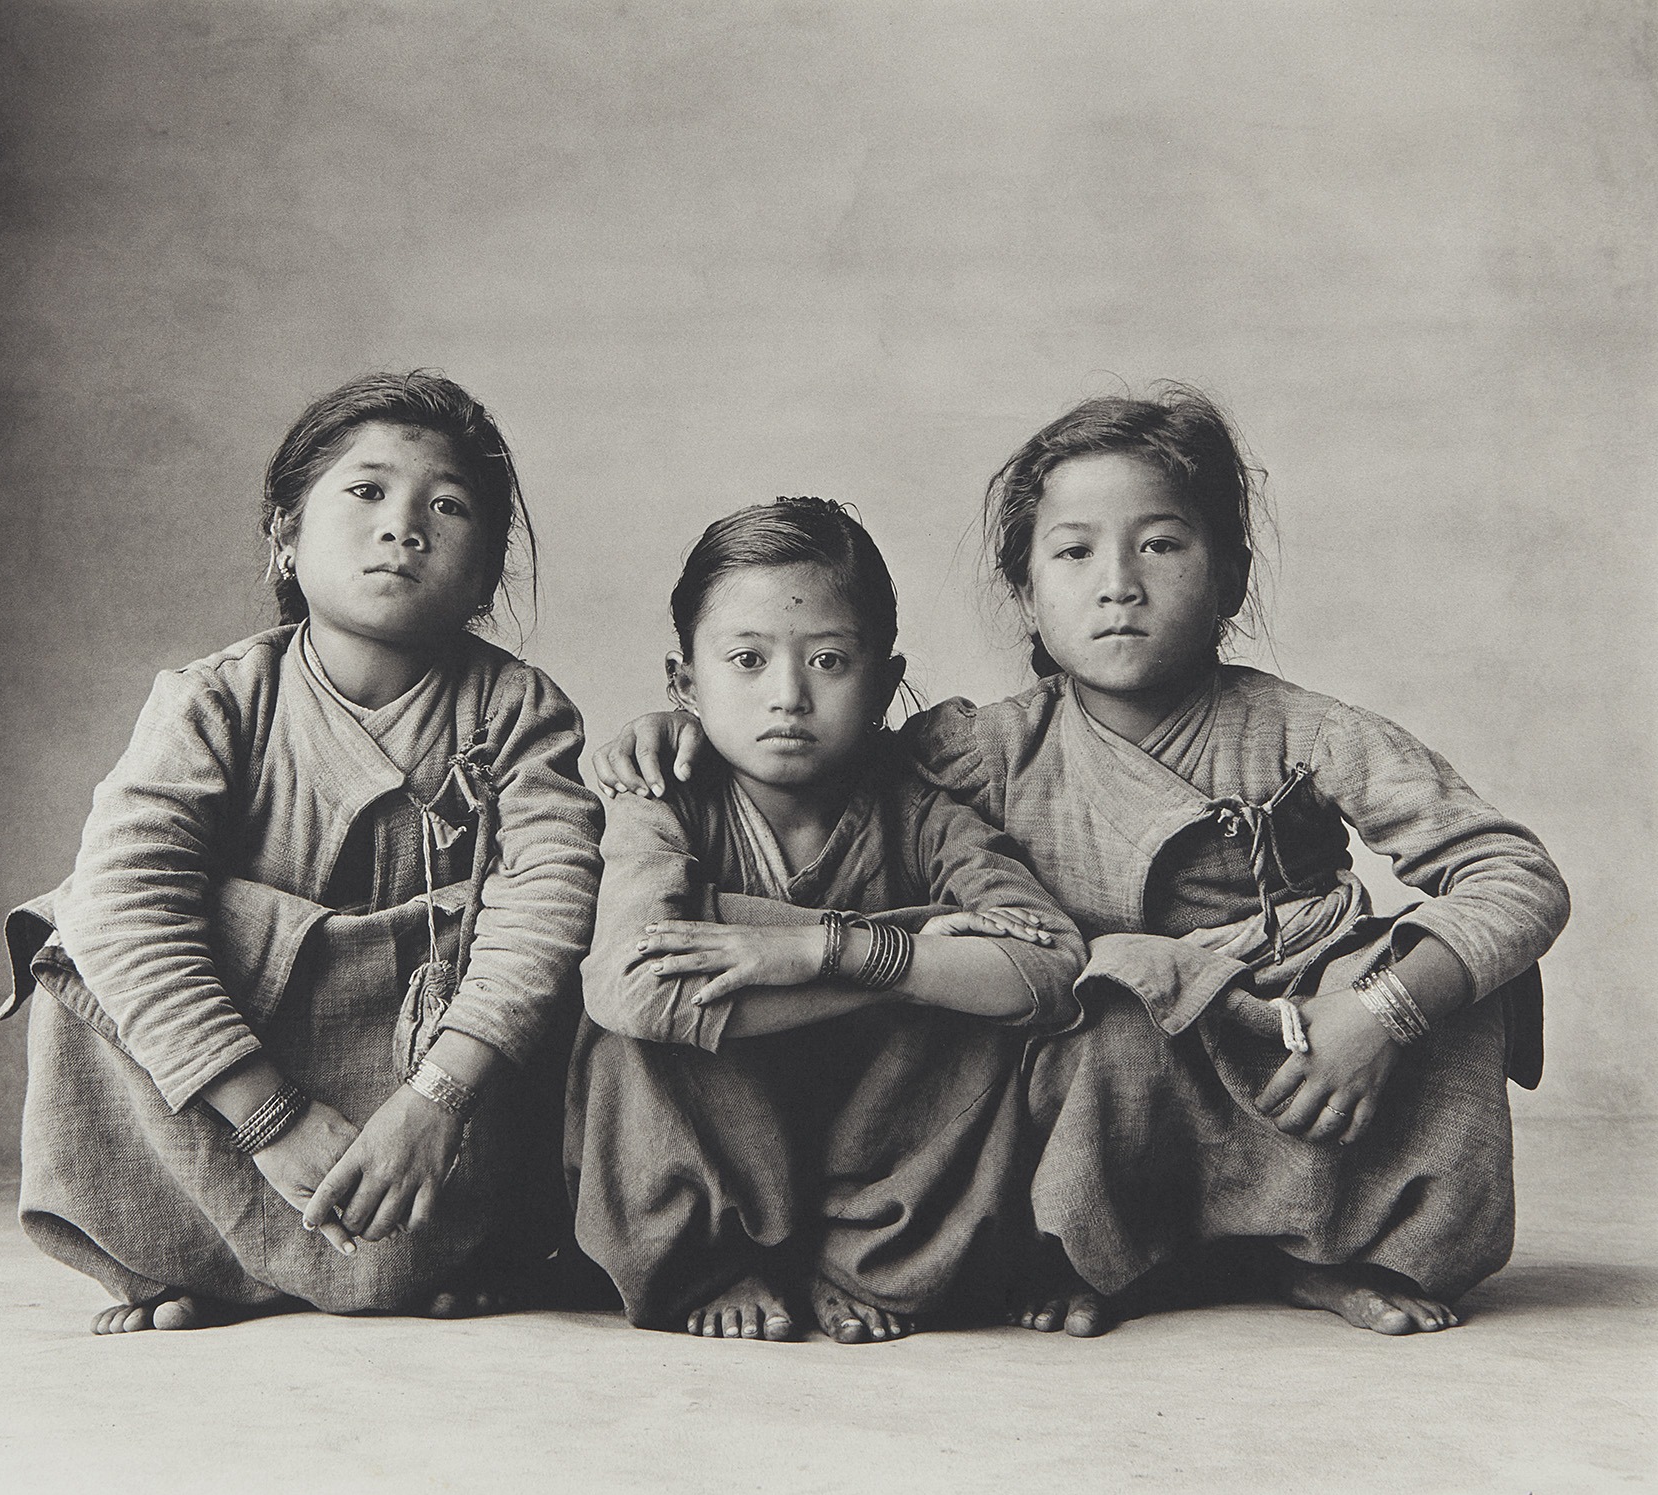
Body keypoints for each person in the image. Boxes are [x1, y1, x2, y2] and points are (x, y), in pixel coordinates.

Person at [592, 387, 1570, 1337]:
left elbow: (1513, 877)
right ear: (1024, 591)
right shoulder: (984, 747)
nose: (1118, 584)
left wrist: (1379, 1013)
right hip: (1116, 1041)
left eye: (1161, 544)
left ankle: (1322, 1256)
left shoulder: (1310, 732)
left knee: (1468, 985)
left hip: (1308, 1029)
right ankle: (1117, 1256)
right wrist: (678, 733)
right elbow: (817, 750)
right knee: (1093, 1005)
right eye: (1073, 552)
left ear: (1228, 576)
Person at [0, 371, 603, 1333]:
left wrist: (438, 1096)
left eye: (447, 507)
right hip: (246, 1077)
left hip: (430, 1078)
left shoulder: (519, 712)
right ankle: (185, 1256)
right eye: (365, 492)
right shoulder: (214, 702)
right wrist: (267, 1113)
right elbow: (125, 900)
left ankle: (461, 1250)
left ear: (488, 571)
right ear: (285, 533)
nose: (403, 527)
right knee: (84, 929)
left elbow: (551, 900)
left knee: (576, 959)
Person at [569, 497, 1088, 1344]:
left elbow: (1054, 969)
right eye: (745, 659)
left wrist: (822, 950)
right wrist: (904, 962)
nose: (788, 696)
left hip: (879, 1144)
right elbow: (632, 989)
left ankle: (866, 1255)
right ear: (683, 683)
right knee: (626, 1035)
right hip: (720, 1129)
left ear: (885, 683)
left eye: (830, 661)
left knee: (988, 1022)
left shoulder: (923, 811)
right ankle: (711, 1262)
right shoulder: (662, 803)